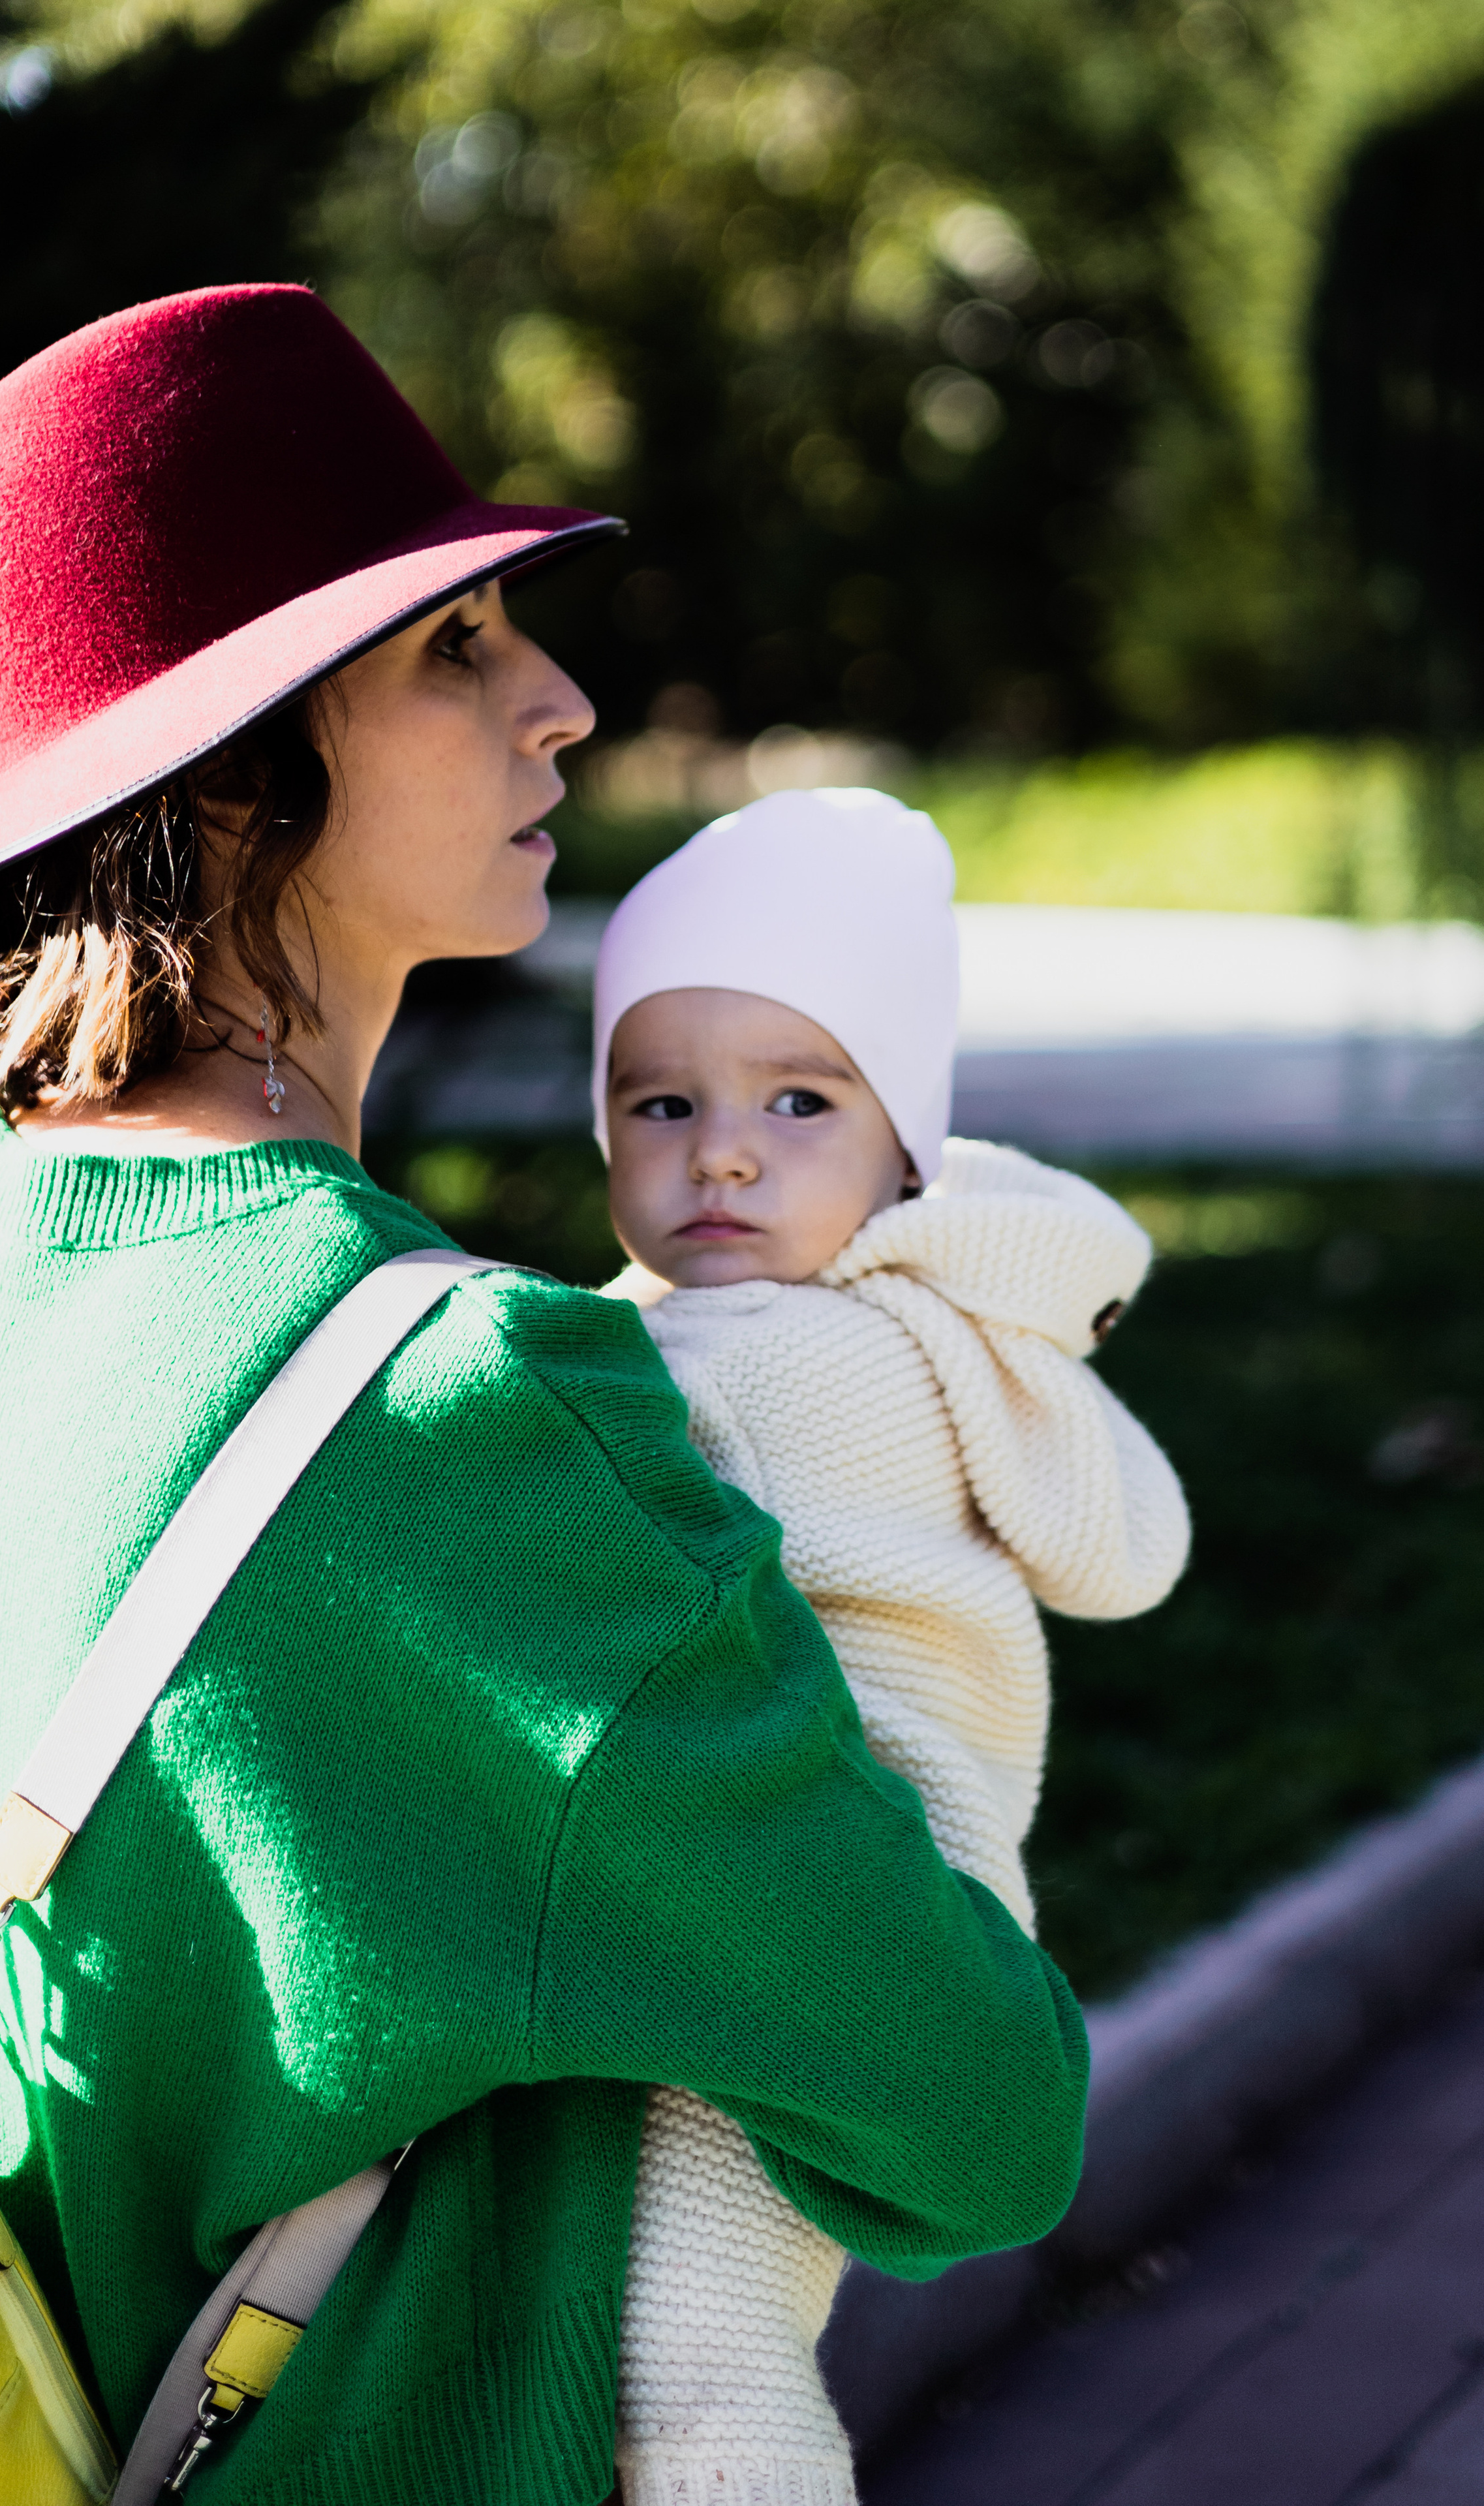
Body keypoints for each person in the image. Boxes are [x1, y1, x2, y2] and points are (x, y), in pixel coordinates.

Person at [0, 286, 1089, 2506]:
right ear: (220, 782)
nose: (566, 705)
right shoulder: (465, 1416)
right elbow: (980, 2124)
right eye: (455, 651)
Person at [592, 787, 1190, 2505]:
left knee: (691, 2354)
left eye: (798, 1101)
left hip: (826, 1890)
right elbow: (1125, 1552)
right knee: (717, 2320)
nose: (722, 1153)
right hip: (888, 1889)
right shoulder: (923, 1327)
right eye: (661, 1104)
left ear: (905, 1151)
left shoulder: (763, 1359)